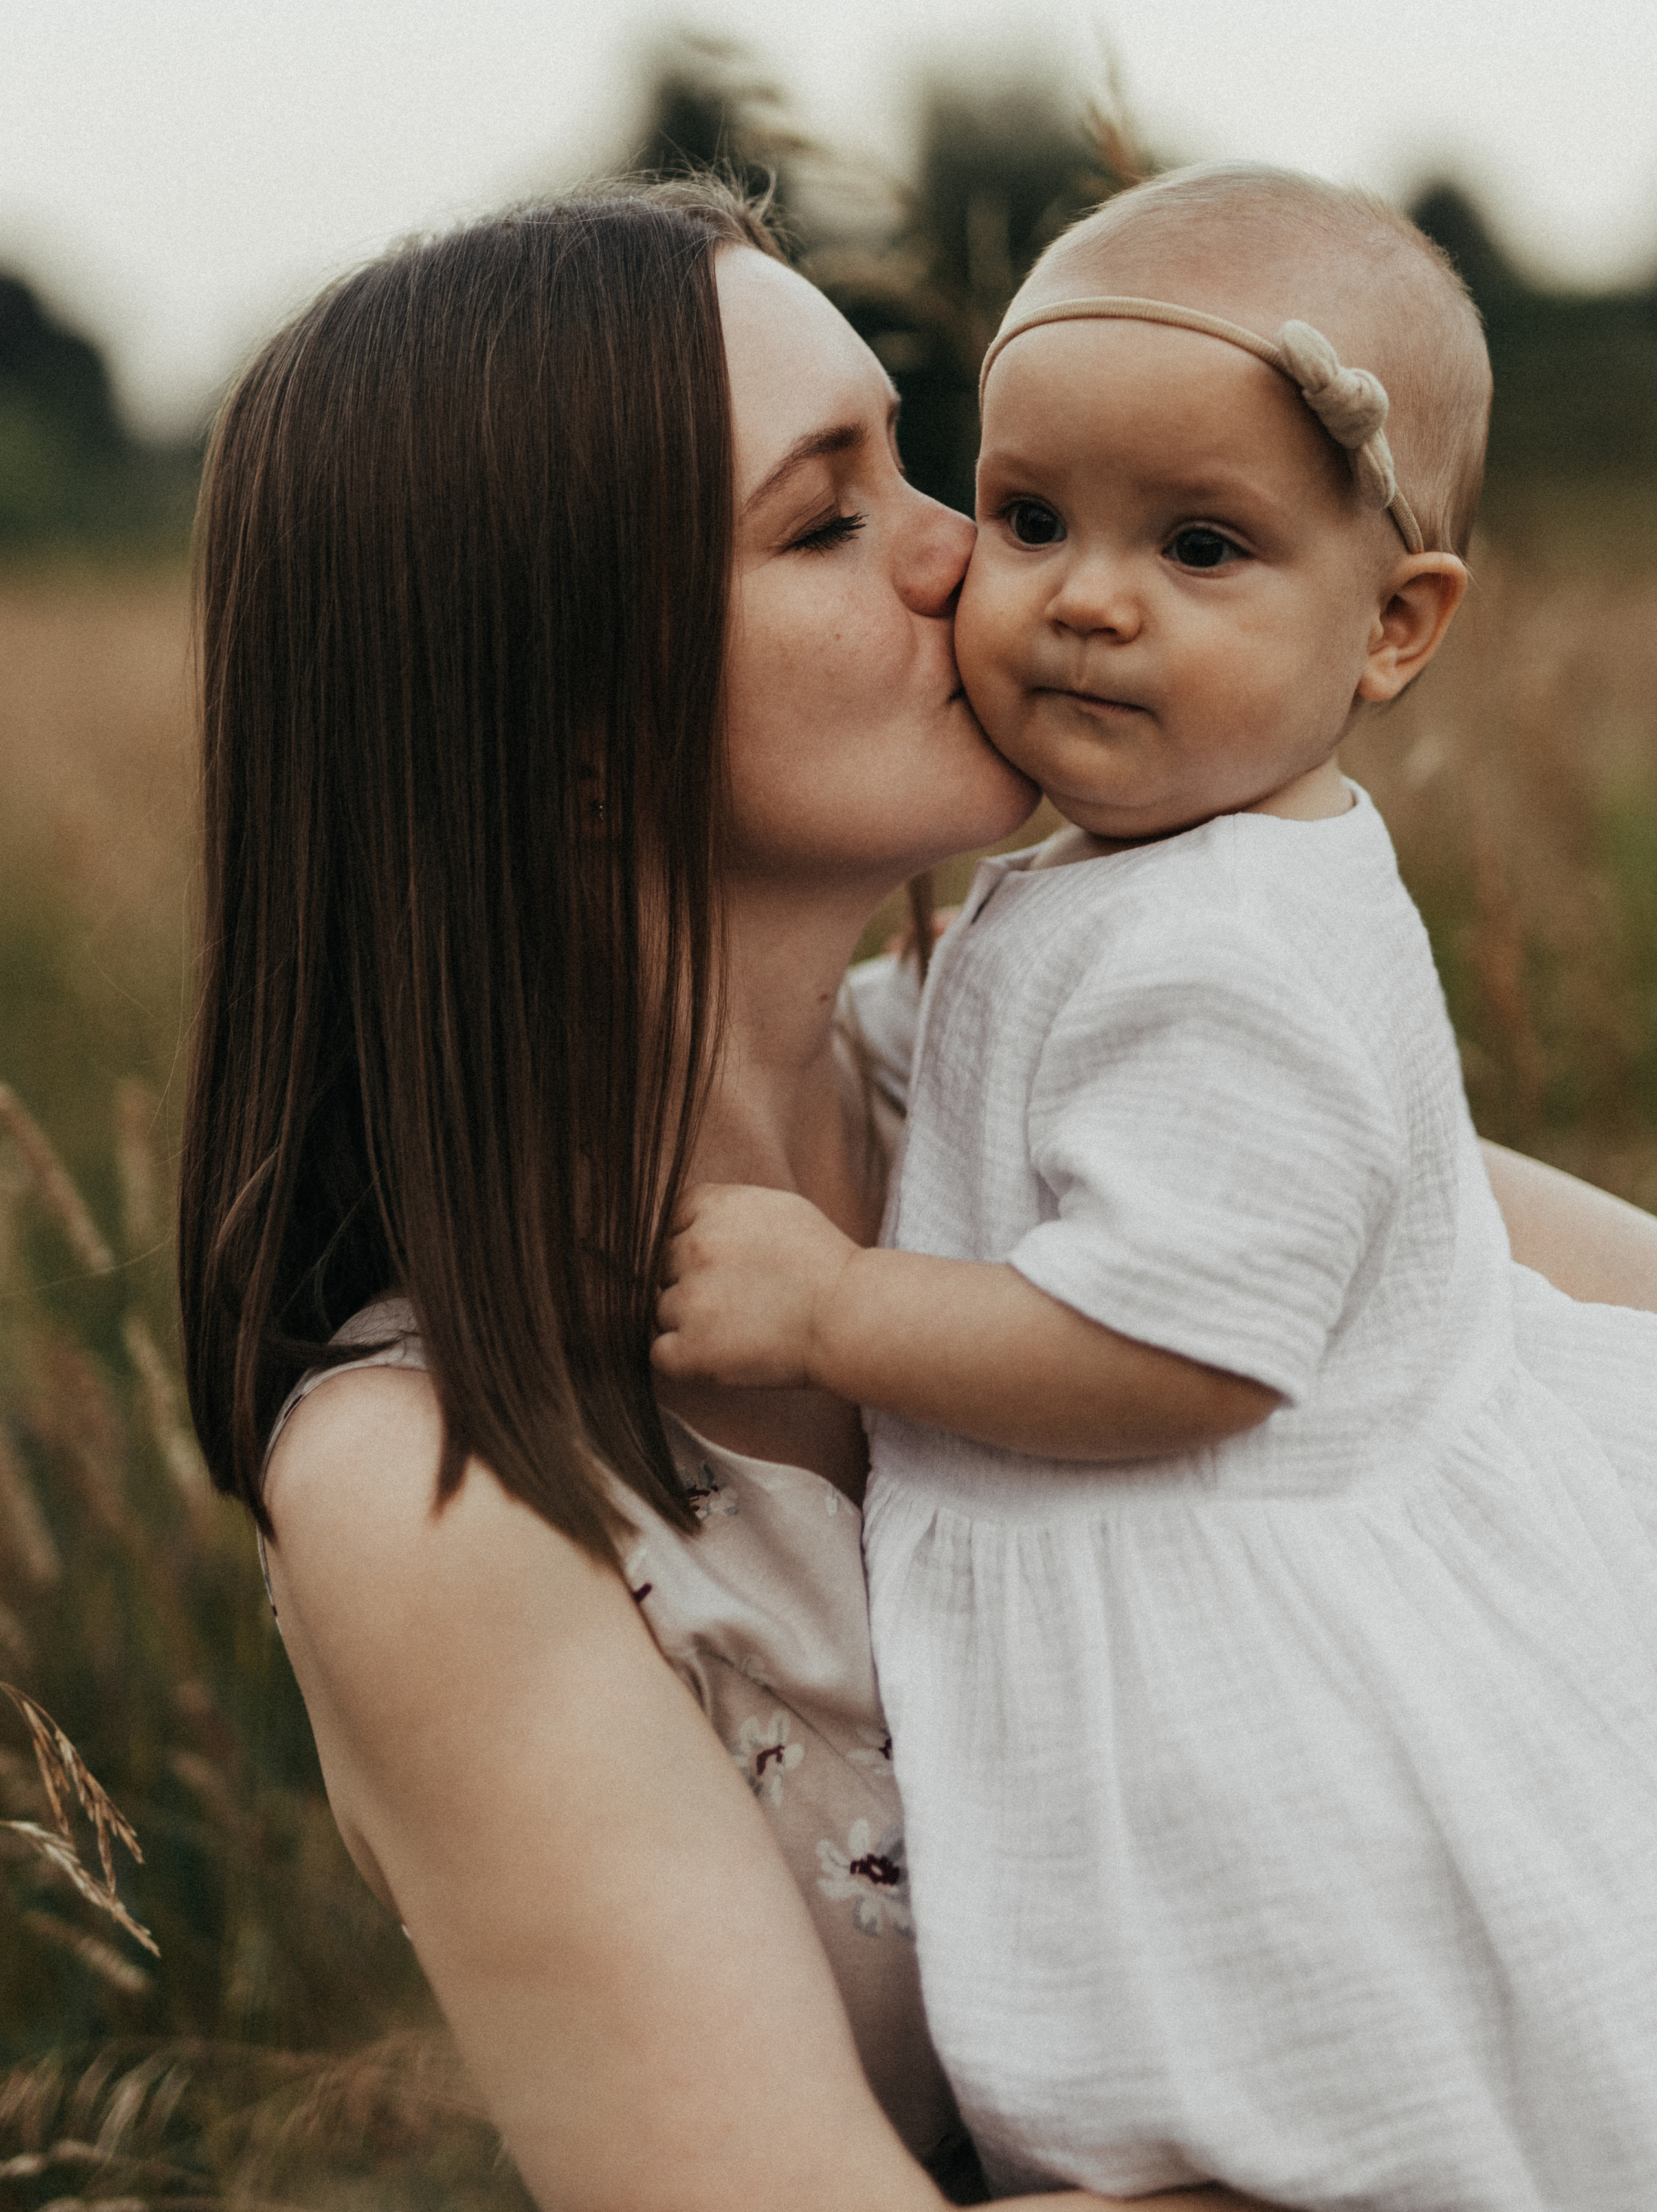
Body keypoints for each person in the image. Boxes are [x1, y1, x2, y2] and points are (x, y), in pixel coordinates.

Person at [177, 174, 1657, 2212]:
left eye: (925, 464)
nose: (974, 551)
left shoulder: (1098, 1071)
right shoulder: (440, 1484)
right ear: (567, 722)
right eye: (830, 515)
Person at [654, 166, 1657, 2209]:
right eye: (1031, 517)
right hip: (1220, 1629)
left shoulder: (1233, 955)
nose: (1078, 597)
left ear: (1397, 626)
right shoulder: (1140, 886)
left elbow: (1178, 1345)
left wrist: (836, 1313)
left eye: (1201, 547)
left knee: (1350, 2074)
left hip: (1281, 1681)